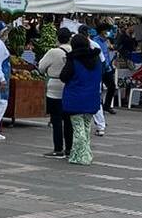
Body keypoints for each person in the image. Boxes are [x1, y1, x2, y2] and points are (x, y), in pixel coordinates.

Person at [60, 33, 102, 165]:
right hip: (92, 97)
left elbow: (64, 77)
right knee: (86, 127)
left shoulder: (73, 60)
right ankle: (81, 153)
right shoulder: (97, 60)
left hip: (75, 98)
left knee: (78, 129)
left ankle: (83, 156)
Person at [38, 27, 73, 158]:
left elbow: (41, 67)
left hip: (54, 89)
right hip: (69, 88)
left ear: (57, 38)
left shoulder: (53, 52)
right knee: (68, 120)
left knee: (56, 120)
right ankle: (69, 148)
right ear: (69, 38)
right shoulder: (73, 50)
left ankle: (58, 149)